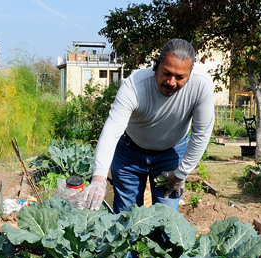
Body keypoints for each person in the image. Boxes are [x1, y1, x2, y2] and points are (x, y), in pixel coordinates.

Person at [84, 38, 214, 213]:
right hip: (129, 155)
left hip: (170, 155)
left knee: (166, 219)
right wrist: (99, 178)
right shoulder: (135, 86)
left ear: (190, 74)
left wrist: (181, 173)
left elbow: (201, 133)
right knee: (126, 217)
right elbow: (112, 129)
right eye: (166, 73)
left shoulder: (201, 86)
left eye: (180, 77)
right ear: (156, 65)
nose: (171, 82)